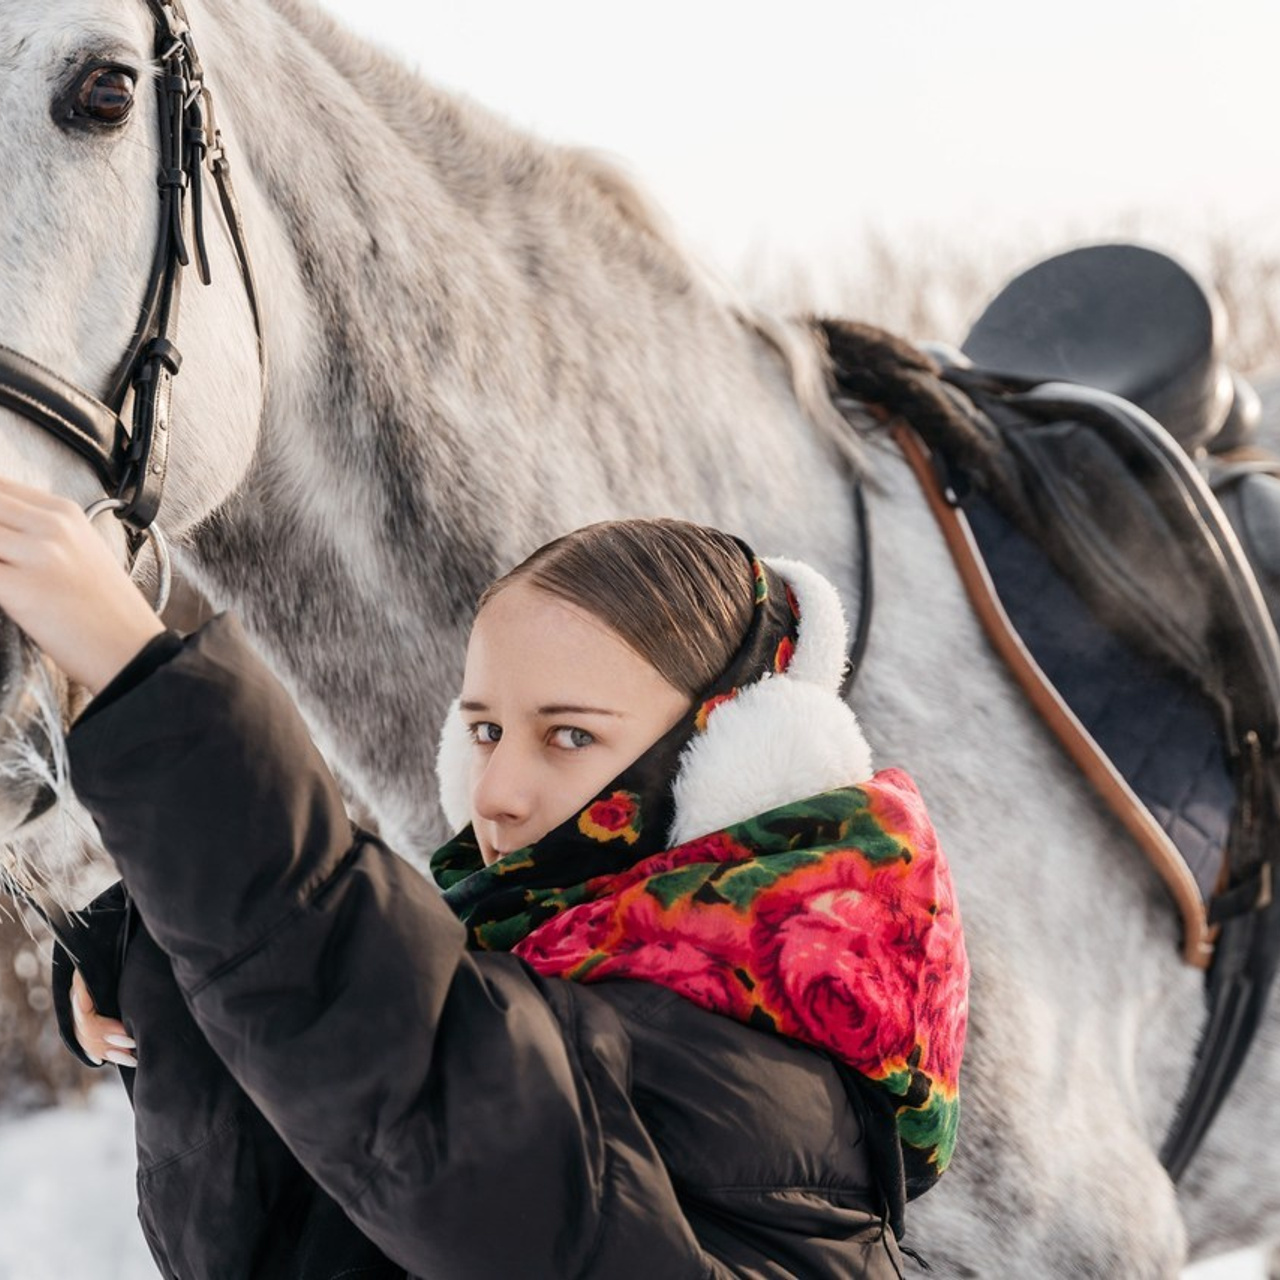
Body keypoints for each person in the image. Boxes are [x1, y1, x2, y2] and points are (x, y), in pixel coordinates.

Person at [3, 479, 967, 1279]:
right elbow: (285, 1242)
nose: (497, 792)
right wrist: (168, 954)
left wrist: (145, 686)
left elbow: (438, 1112)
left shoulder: (756, 1077)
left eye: (571, 735)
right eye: (485, 731)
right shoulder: (533, 987)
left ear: (740, 766)